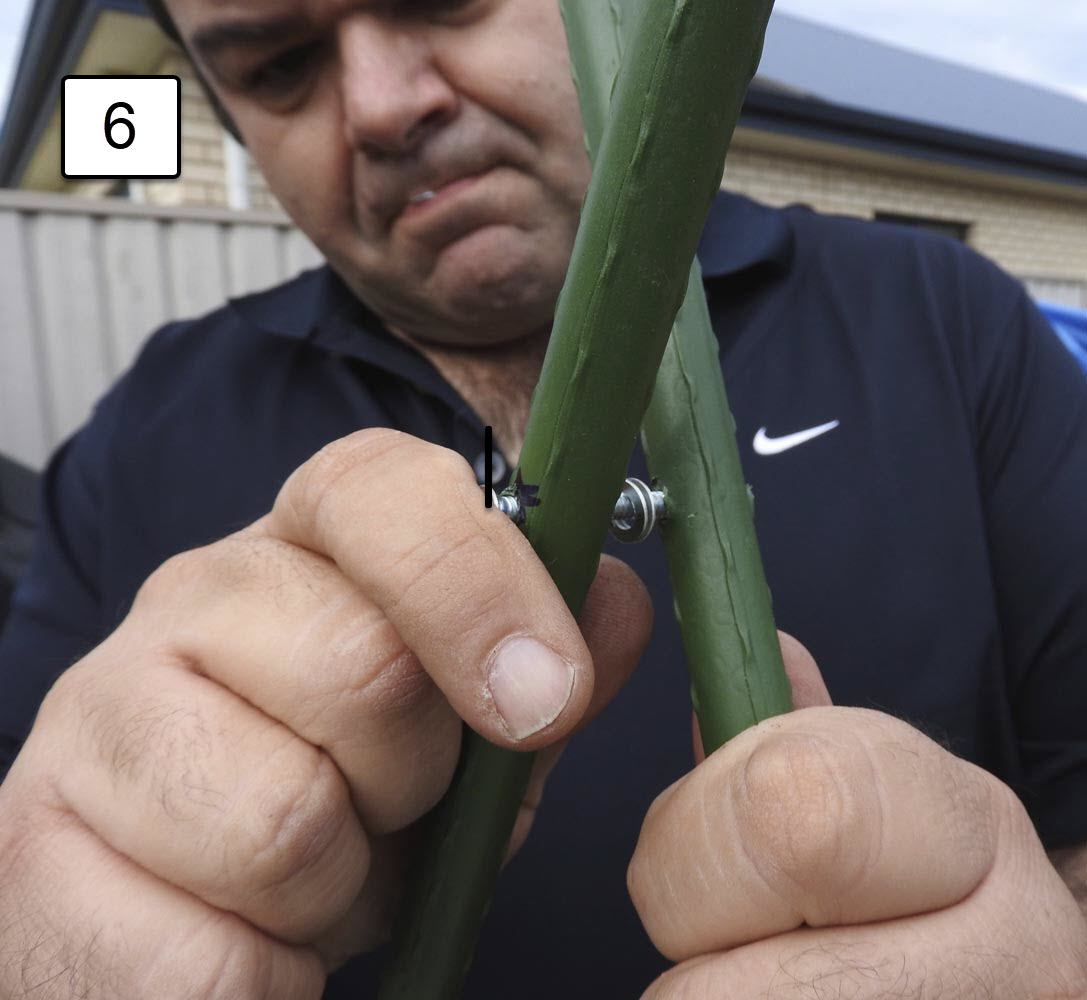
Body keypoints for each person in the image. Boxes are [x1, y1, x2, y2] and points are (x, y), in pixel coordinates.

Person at [1, 0, 1085, 995]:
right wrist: (52, 935)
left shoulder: (944, 324)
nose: (382, 104)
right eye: (281, 65)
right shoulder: (142, 430)